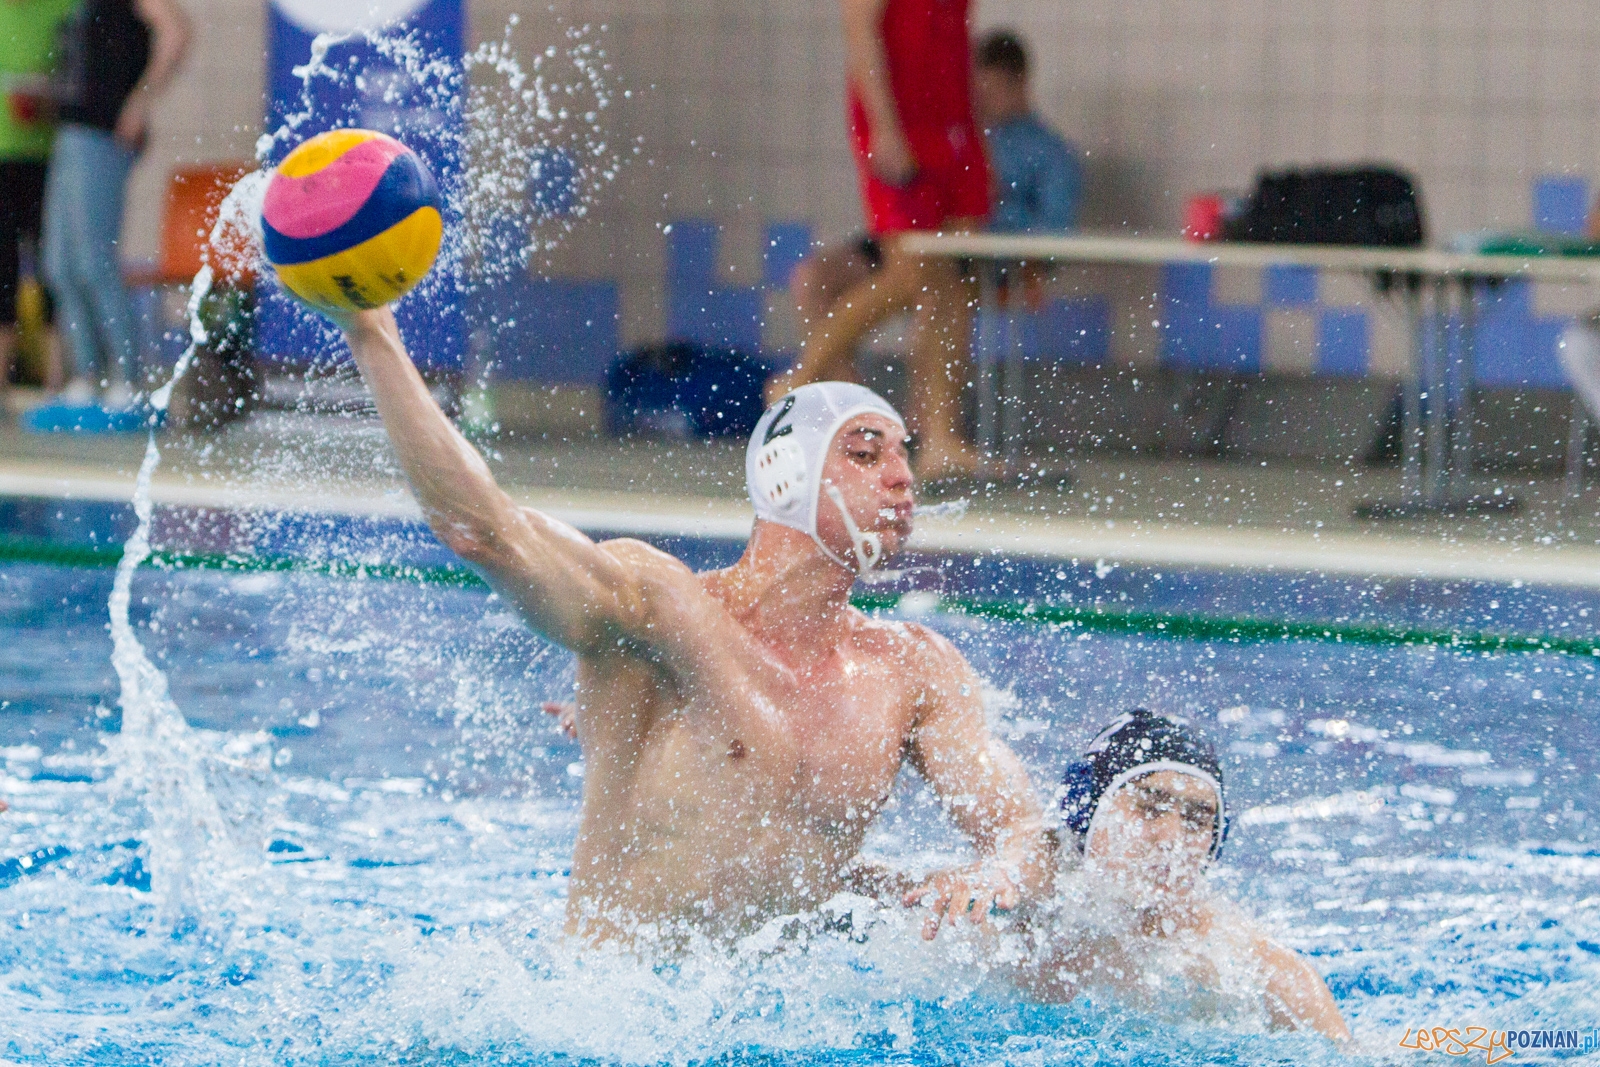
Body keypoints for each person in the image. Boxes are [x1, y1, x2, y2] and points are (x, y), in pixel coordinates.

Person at [324, 305, 1050, 950]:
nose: (902, 477)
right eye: (865, 453)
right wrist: (373, 333)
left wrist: (998, 869)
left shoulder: (912, 668)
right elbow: (485, 531)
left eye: (903, 454)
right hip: (608, 1024)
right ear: (784, 474)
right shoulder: (658, 611)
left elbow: (1024, 834)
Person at [1002, 709, 1351, 1041]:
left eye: (1196, 820)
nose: (1173, 840)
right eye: (1150, 808)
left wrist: (1410, 1042)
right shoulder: (1016, 908)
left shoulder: (1256, 972)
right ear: (1086, 810)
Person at [771, 0, 990, 485]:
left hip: (956, 124)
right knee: (911, 276)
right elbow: (860, 34)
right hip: (902, 124)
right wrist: (885, 128)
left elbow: (955, 42)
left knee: (954, 284)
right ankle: (801, 378)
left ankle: (941, 438)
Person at [41, 0, 190, 408]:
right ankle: (86, 375)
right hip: (70, 133)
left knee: (94, 262)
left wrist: (140, 102)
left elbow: (176, 34)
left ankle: (128, 377)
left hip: (103, 135)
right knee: (60, 264)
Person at [0, 0, 77, 407]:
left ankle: (54, 376)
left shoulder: (64, 9)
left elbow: (84, 77)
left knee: (53, 266)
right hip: (3, 155)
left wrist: (47, 99)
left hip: (48, 157)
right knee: (4, 268)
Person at [972, 30, 1081, 238]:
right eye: (977, 93)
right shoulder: (970, 144)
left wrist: (990, 212)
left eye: (992, 91)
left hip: (1017, 266)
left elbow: (1054, 231)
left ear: (1019, 82)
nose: (982, 102)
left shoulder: (1052, 155)